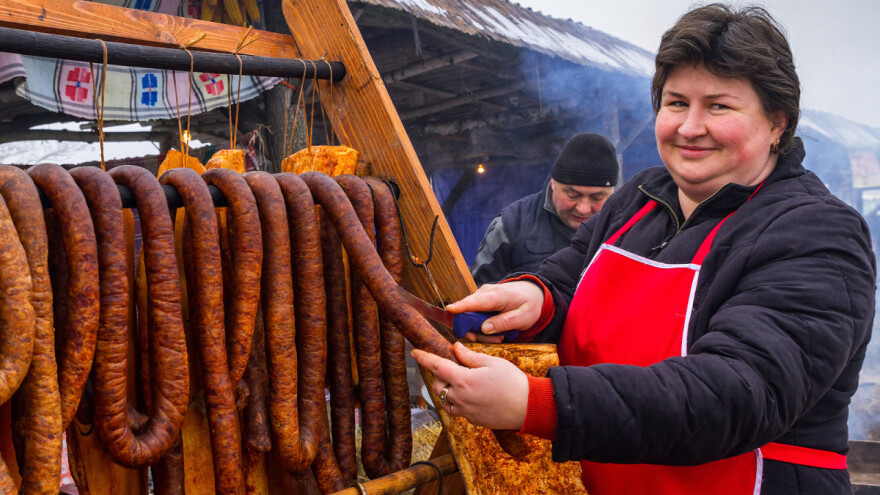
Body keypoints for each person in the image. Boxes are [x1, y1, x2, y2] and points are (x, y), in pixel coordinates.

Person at [412, 4, 876, 494]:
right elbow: (571, 276)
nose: (690, 126)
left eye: (718, 106)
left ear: (777, 123)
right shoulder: (638, 198)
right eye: (676, 102)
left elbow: (735, 393)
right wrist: (537, 295)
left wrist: (536, 403)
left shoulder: (816, 232)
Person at [470, 132, 619, 285]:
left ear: (613, 192)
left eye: (597, 198)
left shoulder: (628, 226)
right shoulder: (512, 223)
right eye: (572, 195)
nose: (583, 209)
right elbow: (479, 291)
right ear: (554, 183)